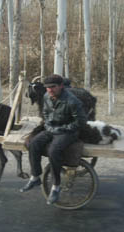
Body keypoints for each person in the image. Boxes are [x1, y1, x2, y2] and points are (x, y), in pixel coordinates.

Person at [20, 74, 87, 205]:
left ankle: (56, 186)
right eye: (47, 87)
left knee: (53, 151)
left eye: (53, 87)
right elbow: (45, 112)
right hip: (51, 128)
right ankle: (35, 177)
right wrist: (49, 125)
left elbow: (80, 122)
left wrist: (62, 129)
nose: (50, 90)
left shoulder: (72, 101)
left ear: (61, 86)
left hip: (69, 132)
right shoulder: (46, 96)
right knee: (33, 143)